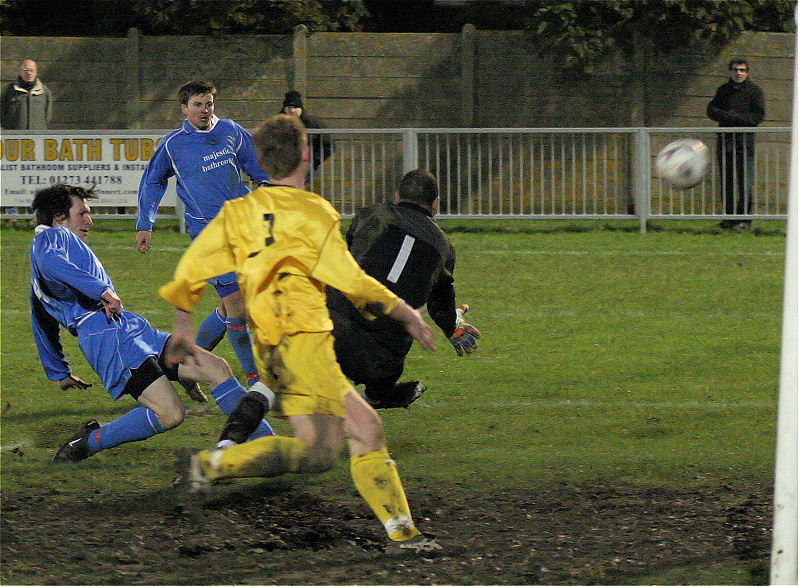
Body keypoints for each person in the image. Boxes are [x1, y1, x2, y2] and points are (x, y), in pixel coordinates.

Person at [162, 114, 442, 554]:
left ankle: (209, 464)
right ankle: (405, 536)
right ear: (307, 156)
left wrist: (183, 326)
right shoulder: (315, 212)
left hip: (267, 345)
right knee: (367, 429)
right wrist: (406, 312)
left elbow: (192, 269)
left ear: (260, 159)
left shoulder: (239, 212)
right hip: (304, 343)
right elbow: (352, 280)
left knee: (319, 453)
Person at [29, 184, 274, 464]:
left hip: (129, 328)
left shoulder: (52, 254)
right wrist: (101, 290)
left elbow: (41, 318)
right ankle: (86, 443)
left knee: (217, 368)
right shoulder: (49, 239)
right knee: (170, 414)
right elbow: (52, 263)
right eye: (82, 213)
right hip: (107, 338)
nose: (89, 220)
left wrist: (58, 370)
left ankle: (267, 444)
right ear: (60, 217)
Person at [136, 80, 268, 388]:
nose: (204, 110)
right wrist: (145, 222)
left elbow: (259, 169)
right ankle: (255, 381)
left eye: (208, 104)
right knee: (237, 307)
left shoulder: (232, 131)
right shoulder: (173, 145)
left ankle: (186, 366)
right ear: (184, 109)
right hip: (209, 236)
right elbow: (153, 181)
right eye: (197, 105)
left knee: (230, 307)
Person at [326, 168, 481, 409]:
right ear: (435, 204)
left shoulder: (371, 215)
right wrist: (452, 327)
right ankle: (378, 395)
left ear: (397, 196)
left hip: (325, 329)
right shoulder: (443, 247)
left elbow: (350, 256)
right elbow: (440, 306)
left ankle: (262, 395)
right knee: (392, 348)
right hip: (377, 361)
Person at [706, 58, 765, 230]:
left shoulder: (754, 91)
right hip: (725, 141)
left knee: (744, 183)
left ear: (747, 72)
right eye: (735, 70)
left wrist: (736, 119)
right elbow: (711, 109)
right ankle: (729, 218)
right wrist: (725, 116)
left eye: (742, 70)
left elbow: (758, 116)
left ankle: (745, 220)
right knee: (727, 182)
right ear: (730, 72)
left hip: (744, 142)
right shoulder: (723, 90)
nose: (738, 73)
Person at [1, 59, 52, 224]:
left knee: (36, 180)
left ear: (36, 72)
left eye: (31, 70)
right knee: (10, 178)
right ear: (20, 71)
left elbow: (48, 116)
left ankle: (34, 215)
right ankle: (12, 215)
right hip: (13, 144)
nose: (28, 73)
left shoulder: (44, 92)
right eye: (25, 70)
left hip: (36, 145)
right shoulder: (9, 90)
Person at [279, 90, 333, 175]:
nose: (292, 110)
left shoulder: (313, 124)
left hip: (304, 167)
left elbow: (328, 145)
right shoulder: (275, 124)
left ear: (301, 108)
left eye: (295, 107)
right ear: (284, 108)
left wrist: (313, 161)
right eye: (289, 107)